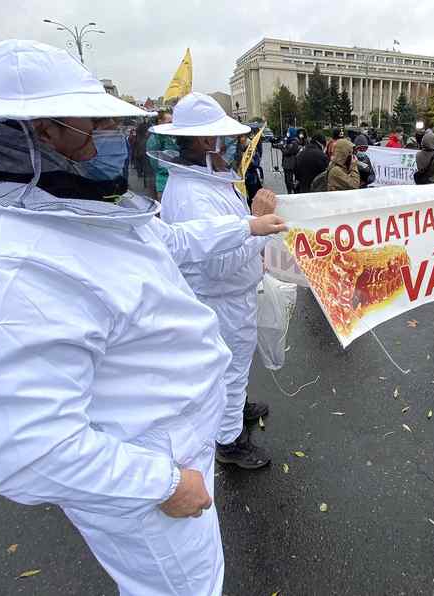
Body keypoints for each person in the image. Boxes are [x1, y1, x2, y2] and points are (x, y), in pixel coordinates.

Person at [0, 40, 285, 596]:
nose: (113, 132)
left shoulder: (68, 208)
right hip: (147, 483)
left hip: (170, 449)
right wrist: (163, 483)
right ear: (45, 131)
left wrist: (248, 228)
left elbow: (169, 240)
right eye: (98, 120)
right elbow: (31, 449)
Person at [152, 92, 275, 470]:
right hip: (222, 299)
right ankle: (229, 441)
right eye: (224, 139)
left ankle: (234, 414)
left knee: (233, 367)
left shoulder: (205, 181)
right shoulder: (192, 195)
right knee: (230, 371)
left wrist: (255, 228)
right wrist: (260, 228)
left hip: (230, 297)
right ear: (206, 141)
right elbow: (217, 266)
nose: (232, 148)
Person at [145, 109, 177, 200]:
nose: (172, 125)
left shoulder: (173, 136)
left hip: (176, 176)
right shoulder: (154, 138)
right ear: (160, 122)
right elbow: (154, 162)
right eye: (169, 122)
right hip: (163, 179)